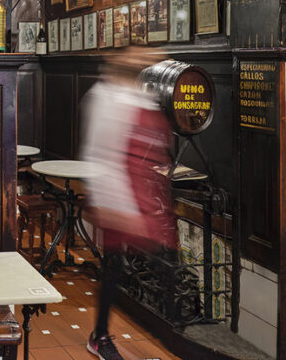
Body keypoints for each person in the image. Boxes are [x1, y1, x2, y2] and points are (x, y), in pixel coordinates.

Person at [80, 47, 176, 360]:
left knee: (159, 265)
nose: (138, 58)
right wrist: (114, 204)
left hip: (148, 198)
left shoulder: (141, 96)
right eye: (131, 54)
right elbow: (98, 154)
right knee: (114, 268)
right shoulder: (103, 97)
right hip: (122, 200)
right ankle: (100, 335)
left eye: (142, 55)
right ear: (115, 58)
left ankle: (162, 339)